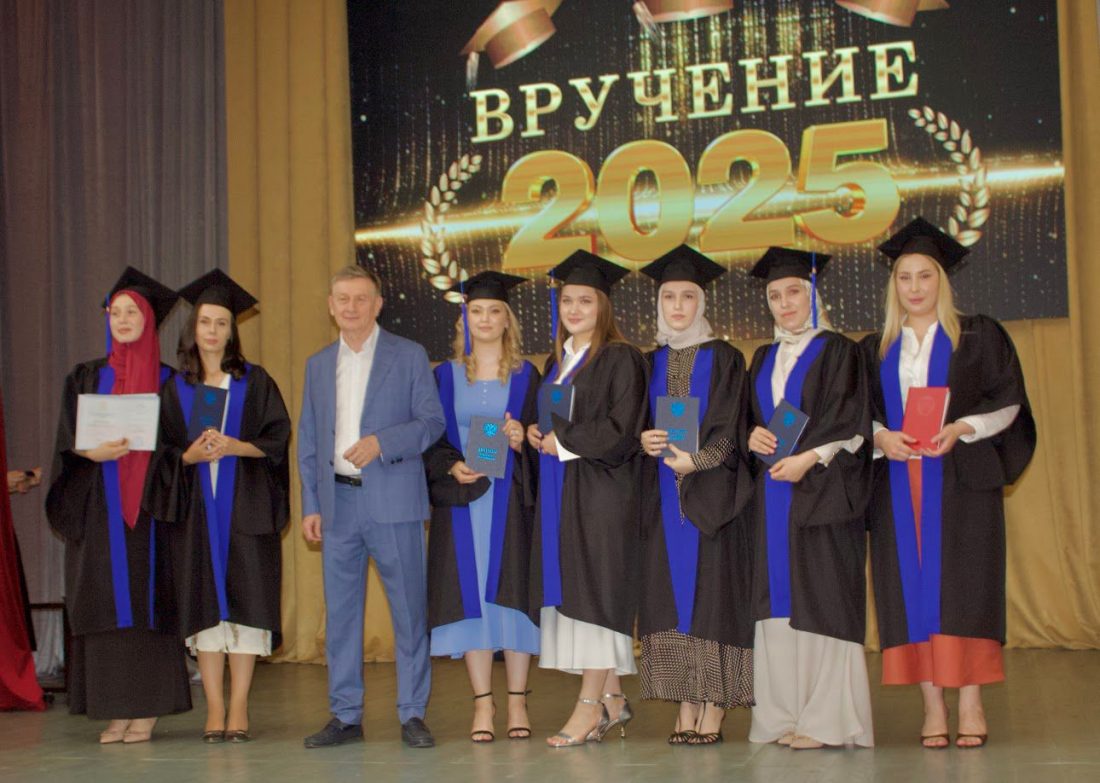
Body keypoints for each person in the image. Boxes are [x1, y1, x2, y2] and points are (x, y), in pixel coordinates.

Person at [861, 218, 1036, 749]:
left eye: (925, 276)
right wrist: (881, 436)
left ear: (942, 280)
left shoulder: (978, 336)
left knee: (965, 590)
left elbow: (1008, 402)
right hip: (898, 486)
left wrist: (961, 428)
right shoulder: (875, 349)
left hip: (960, 482)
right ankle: (933, 706)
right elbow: (855, 415)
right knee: (909, 594)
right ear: (893, 285)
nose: (914, 287)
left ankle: (972, 703)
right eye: (904, 277)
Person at [298, 264, 445, 749]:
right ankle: (345, 715)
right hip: (337, 505)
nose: (352, 307)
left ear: (378, 304)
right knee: (341, 617)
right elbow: (309, 440)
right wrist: (312, 503)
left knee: (409, 613)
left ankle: (412, 713)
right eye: (343, 299)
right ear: (330, 305)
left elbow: (431, 422)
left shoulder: (409, 355)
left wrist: (383, 442)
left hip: (394, 502)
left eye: (361, 298)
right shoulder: (318, 364)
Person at [45, 267, 191, 743]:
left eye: (133, 312)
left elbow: (178, 449)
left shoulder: (169, 382)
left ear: (149, 321)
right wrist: (92, 454)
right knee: (104, 602)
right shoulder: (85, 376)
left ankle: (146, 710)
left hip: (150, 512)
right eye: (116, 313)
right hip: (99, 508)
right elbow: (66, 443)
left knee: (149, 604)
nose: (123, 320)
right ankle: (115, 709)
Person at [145, 269, 291, 743]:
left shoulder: (255, 381)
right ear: (194, 328)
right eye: (205, 322)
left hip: (244, 511)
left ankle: (240, 706)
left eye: (221, 323)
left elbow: (277, 438)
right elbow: (161, 452)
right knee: (205, 610)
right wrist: (187, 456)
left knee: (247, 609)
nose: (212, 331)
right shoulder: (175, 388)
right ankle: (214, 708)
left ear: (232, 331)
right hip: (195, 516)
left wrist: (235, 446)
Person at [744, 248, 874, 750]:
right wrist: (752, 435)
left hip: (823, 492)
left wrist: (809, 458)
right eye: (775, 295)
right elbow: (752, 418)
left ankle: (826, 720)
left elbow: (852, 421)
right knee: (776, 605)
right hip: (773, 495)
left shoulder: (840, 350)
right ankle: (782, 715)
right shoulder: (763, 356)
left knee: (823, 599)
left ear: (813, 293)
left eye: (793, 292)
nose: (784, 303)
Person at [525, 250, 648, 748]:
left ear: (603, 306)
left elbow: (623, 430)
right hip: (563, 492)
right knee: (576, 594)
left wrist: (565, 442)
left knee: (597, 596)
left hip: (603, 494)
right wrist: (536, 433)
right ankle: (614, 700)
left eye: (585, 301)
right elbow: (556, 423)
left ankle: (588, 706)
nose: (574, 309)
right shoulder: (556, 362)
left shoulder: (621, 358)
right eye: (567, 301)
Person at [637, 245, 755, 746]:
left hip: (712, 499)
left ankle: (715, 704)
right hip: (662, 499)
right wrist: (643, 440)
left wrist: (699, 460)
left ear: (702, 302)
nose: (678, 306)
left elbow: (733, 424)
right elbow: (635, 424)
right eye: (669, 297)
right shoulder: (648, 362)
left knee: (712, 599)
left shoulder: (725, 357)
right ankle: (685, 700)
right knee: (670, 598)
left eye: (688, 296)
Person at [425, 271, 541, 742]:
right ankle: (482, 704)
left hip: (511, 501)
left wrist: (521, 437)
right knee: (469, 598)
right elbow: (431, 441)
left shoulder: (528, 375)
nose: (486, 319)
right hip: (463, 503)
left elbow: (545, 436)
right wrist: (451, 466)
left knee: (512, 599)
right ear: (465, 318)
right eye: (477, 311)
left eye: (495, 311)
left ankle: (517, 701)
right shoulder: (444, 375)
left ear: (507, 319)